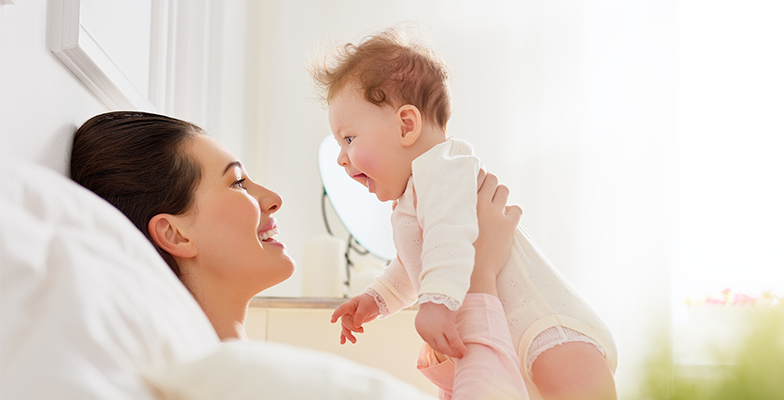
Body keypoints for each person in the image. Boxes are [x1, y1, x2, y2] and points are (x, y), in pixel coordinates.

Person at [70, 111, 530, 399]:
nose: (272, 198)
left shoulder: (240, 376)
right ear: (174, 232)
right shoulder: (235, 381)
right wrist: (476, 276)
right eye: (236, 182)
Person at [314, 27, 618, 399]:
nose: (341, 159)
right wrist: (377, 297)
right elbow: (416, 266)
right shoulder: (414, 194)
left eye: (348, 139)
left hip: (549, 329)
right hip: (513, 336)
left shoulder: (443, 167)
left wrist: (437, 303)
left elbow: (448, 239)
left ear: (406, 125)